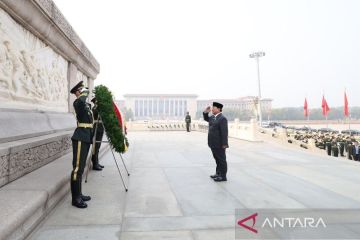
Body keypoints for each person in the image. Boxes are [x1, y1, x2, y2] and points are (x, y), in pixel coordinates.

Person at [70, 81, 93, 208]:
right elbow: (82, 99)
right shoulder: (78, 102)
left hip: (86, 137)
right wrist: (84, 92)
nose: (85, 91)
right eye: (82, 89)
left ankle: (79, 193)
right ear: (77, 92)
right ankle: (75, 198)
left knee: (81, 167)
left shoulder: (85, 104)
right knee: (77, 169)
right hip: (80, 137)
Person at [203, 102, 229, 182]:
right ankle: (218, 173)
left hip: (219, 144)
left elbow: (224, 132)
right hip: (212, 143)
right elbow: (206, 118)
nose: (212, 109)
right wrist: (205, 112)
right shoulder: (212, 117)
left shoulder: (222, 118)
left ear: (218, 109)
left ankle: (223, 176)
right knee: (217, 159)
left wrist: (224, 144)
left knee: (221, 160)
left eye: (213, 108)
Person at [91, 97, 105, 170]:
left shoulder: (96, 108)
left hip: (99, 128)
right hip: (97, 128)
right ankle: (95, 164)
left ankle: (97, 162)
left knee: (98, 146)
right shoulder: (95, 108)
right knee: (95, 147)